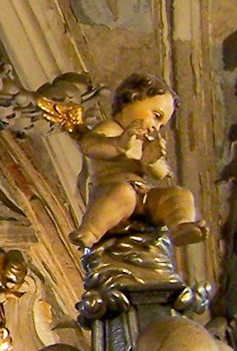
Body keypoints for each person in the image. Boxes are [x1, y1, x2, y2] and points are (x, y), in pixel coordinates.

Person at [69, 74, 204, 248]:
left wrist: (151, 160)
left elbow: (161, 174)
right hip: (113, 189)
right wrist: (118, 145)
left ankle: (180, 226)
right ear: (131, 100)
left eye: (161, 125)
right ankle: (90, 232)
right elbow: (88, 146)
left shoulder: (144, 143)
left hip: (143, 195)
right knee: (121, 193)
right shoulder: (112, 129)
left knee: (179, 194)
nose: (156, 127)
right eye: (156, 115)